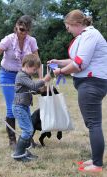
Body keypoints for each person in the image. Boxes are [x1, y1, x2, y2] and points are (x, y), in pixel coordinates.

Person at [48, 9, 107, 172]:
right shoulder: (86, 36)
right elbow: (75, 59)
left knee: (93, 124)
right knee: (92, 123)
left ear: (76, 24)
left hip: (91, 83)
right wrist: (58, 62)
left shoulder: (90, 35)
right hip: (90, 83)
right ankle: (95, 159)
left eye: (68, 27)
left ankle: (97, 164)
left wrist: (59, 72)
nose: (68, 30)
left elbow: (79, 64)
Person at [0, 15, 42, 150]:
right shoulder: (8, 40)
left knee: (25, 106)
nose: (23, 33)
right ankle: (12, 140)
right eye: (21, 29)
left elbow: (38, 61)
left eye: (26, 30)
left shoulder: (32, 41)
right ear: (16, 27)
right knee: (12, 107)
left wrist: (41, 80)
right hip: (7, 75)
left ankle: (27, 138)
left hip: (24, 76)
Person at [11, 53, 51, 161]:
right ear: (27, 66)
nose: (34, 72)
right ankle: (18, 155)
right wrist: (44, 80)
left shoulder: (26, 75)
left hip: (24, 107)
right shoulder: (21, 75)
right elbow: (33, 85)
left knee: (29, 129)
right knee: (27, 130)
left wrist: (40, 90)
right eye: (34, 69)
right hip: (19, 107)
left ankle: (24, 152)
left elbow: (31, 89)